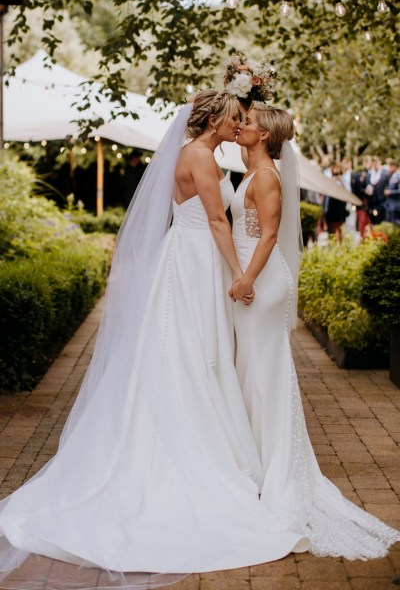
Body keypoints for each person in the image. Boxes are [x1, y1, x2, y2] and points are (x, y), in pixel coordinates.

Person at [0, 89, 310, 590]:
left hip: (190, 258)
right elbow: (214, 219)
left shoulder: (200, 153)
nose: (238, 124)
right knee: (191, 353)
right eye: (234, 117)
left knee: (192, 353)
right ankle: (190, 454)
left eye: (242, 119)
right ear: (214, 119)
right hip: (196, 260)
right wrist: (238, 274)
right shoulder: (198, 155)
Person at [230, 100, 400, 560]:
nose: (241, 125)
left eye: (248, 122)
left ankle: (276, 474)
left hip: (260, 282)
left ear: (265, 136)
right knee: (252, 370)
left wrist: (245, 278)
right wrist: (246, 89)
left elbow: (267, 235)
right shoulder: (253, 166)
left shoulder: (266, 177)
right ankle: (259, 464)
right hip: (252, 278)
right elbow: (240, 135)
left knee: (264, 372)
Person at [323, 164, 348, 244]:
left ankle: (341, 245)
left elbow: (348, 192)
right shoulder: (330, 181)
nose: (337, 176)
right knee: (332, 228)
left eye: (338, 173)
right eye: (335, 174)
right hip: (332, 208)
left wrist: (341, 181)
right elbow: (326, 194)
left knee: (340, 228)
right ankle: (333, 245)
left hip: (341, 208)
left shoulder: (343, 182)